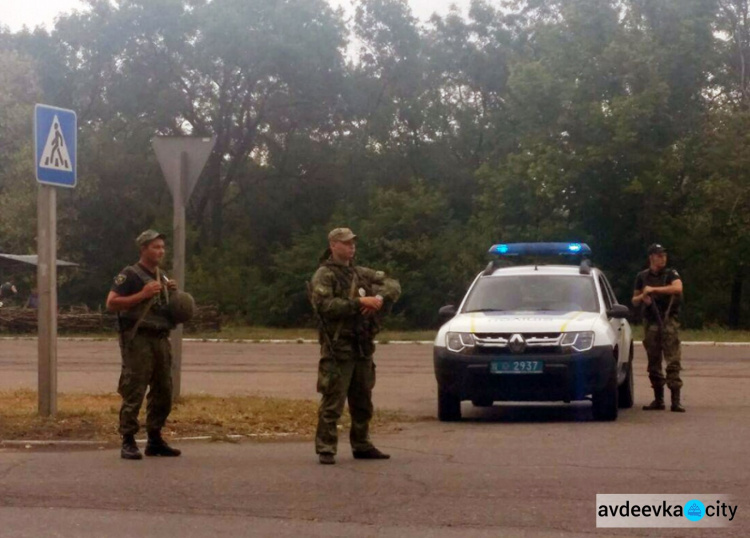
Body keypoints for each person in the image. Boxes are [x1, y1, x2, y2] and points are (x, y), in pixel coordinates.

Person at [310, 228, 401, 465]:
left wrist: (378, 299)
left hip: (362, 346)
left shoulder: (361, 273)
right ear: (333, 245)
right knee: (333, 401)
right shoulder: (324, 275)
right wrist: (359, 302)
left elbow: (393, 284)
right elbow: (325, 306)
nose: (351, 247)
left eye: (353, 243)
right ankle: (326, 447)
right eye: (346, 243)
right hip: (339, 348)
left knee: (363, 401)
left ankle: (361, 444)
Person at [106, 230, 182, 460]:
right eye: (155, 247)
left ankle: (155, 439)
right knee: (135, 388)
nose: (160, 251)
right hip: (138, 338)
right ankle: (128, 440)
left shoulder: (162, 276)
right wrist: (142, 293)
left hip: (160, 338)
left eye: (162, 247)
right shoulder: (130, 275)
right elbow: (112, 303)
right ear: (143, 249)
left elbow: (169, 310)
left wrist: (173, 296)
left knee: (163, 390)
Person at [632, 243, 685, 413]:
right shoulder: (642, 276)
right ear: (651, 257)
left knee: (673, 361)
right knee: (653, 362)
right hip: (651, 322)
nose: (663, 258)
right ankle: (658, 398)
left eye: (664, 255)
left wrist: (654, 289)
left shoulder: (671, 273)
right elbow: (634, 300)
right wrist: (644, 297)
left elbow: (678, 288)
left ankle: (675, 401)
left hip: (668, 321)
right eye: (659, 255)